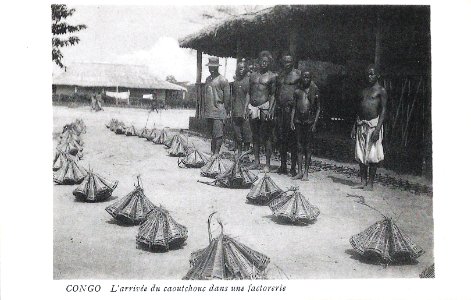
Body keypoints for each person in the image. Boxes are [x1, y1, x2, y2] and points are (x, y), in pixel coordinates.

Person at [350, 64, 387, 191]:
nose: (369, 76)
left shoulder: (381, 90)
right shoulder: (364, 90)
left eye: (372, 74)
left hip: (373, 125)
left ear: (378, 75)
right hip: (361, 124)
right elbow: (358, 109)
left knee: (372, 155)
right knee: (361, 154)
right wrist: (355, 126)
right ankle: (363, 181)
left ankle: (370, 183)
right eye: (368, 74)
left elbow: (383, 111)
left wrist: (377, 128)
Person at [248, 51, 277, 172]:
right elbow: (249, 92)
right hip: (253, 107)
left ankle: (267, 164)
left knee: (266, 136)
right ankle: (256, 161)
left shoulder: (272, 76)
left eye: (266, 62)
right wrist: (247, 107)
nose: (264, 63)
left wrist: (270, 110)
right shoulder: (253, 75)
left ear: (269, 63)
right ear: (258, 62)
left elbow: (273, 94)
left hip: (265, 107)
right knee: (255, 135)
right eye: (262, 61)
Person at [290, 71, 320, 181]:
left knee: (307, 147)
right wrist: (292, 121)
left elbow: (318, 109)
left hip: (309, 122)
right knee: (299, 146)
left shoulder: (315, 90)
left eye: (308, 77)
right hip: (298, 121)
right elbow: (294, 107)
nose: (306, 79)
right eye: (304, 77)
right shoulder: (297, 91)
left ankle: (306, 172)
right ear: (301, 78)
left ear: (311, 78)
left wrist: (315, 123)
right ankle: (299, 171)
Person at [275, 55, 301, 176]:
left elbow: (303, 91)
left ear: (293, 62)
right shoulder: (279, 75)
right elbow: (276, 92)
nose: (287, 63)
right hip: (280, 110)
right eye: (285, 61)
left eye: (289, 61)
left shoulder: (298, 74)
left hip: (292, 111)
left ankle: (293, 168)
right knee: (281, 138)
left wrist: (295, 104)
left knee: (293, 139)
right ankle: (283, 165)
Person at [204, 57, 230, 155]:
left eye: (213, 67)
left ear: (217, 67)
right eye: (210, 66)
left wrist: (223, 110)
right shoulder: (208, 79)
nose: (211, 68)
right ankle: (212, 152)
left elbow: (227, 99)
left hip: (219, 110)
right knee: (212, 134)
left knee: (218, 134)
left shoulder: (223, 80)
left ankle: (216, 153)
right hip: (209, 110)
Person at [231, 60, 252, 156]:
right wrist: (232, 109)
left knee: (246, 133)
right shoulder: (235, 82)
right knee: (237, 133)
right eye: (239, 68)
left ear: (245, 69)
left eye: (242, 68)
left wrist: (245, 109)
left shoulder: (248, 80)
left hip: (245, 110)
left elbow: (248, 95)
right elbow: (233, 96)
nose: (240, 70)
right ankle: (239, 153)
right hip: (236, 110)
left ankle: (246, 155)